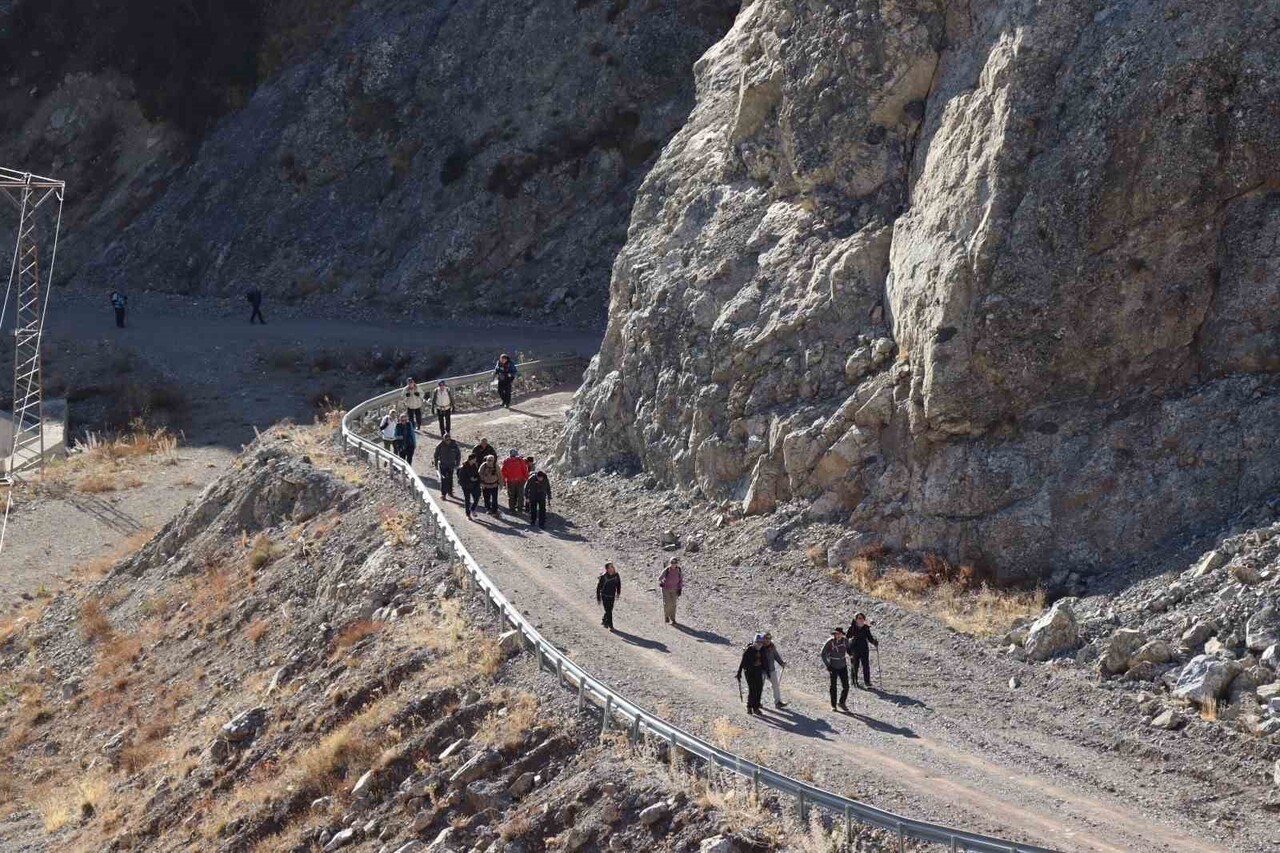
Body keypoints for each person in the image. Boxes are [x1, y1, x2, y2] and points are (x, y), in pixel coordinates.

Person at [736, 634, 771, 716]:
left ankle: (756, 707)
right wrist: (739, 673)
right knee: (752, 689)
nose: (759, 644)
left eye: (761, 642)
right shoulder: (749, 650)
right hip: (749, 671)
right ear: (754, 642)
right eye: (758, 642)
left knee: (759, 688)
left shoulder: (762, 650)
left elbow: (765, 661)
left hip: (758, 670)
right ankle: (749, 706)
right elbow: (742, 662)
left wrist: (768, 672)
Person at [821, 627, 851, 711]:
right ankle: (833, 705)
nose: (837, 635)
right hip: (833, 666)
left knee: (846, 686)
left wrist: (851, 654)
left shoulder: (845, 641)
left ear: (842, 634)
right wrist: (828, 665)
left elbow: (848, 649)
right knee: (833, 686)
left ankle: (842, 702)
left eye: (839, 634)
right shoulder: (830, 642)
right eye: (836, 634)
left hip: (843, 665)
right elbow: (823, 654)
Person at [847, 612, 879, 689]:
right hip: (854, 647)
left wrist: (874, 642)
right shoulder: (852, 627)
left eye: (862, 618)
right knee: (855, 665)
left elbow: (869, 638)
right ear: (856, 619)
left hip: (864, 648)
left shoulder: (866, 628)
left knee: (866, 665)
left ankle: (867, 682)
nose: (860, 620)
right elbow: (847, 637)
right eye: (859, 618)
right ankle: (854, 681)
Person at [762, 632, 788, 709]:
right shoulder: (760, 647)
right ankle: (757, 702)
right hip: (761, 671)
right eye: (766, 638)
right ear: (764, 639)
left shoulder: (772, 647)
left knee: (776, 686)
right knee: (759, 687)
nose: (768, 640)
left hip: (771, 670)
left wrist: (781, 663)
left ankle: (778, 702)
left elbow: (776, 655)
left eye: (769, 638)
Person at [433, 433, 462, 499]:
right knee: (444, 479)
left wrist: (457, 464)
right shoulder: (440, 446)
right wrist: (436, 464)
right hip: (443, 465)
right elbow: (436, 455)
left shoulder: (454, 445)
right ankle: (443, 494)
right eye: (446, 439)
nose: (448, 441)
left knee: (450, 478)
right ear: (443, 439)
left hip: (451, 465)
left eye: (449, 439)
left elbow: (458, 455)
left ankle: (450, 492)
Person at [596, 562, 622, 631]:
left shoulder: (616, 575)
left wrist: (618, 593)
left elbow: (618, 584)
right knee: (609, 611)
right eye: (610, 567)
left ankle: (604, 619)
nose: (612, 569)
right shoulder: (604, 577)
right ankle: (611, 626)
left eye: (612, 567)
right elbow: (598, 588)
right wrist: (599, 598)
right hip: (605, 596)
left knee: (609, 610)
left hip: (612, 596)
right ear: (607, 569)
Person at [657, 557, 683, 626]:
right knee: (667, 603)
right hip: (666, 589)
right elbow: (660, 578)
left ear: (677, 563)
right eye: (672, 563)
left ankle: (673, 619)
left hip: (675, 589)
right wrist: (662, 581)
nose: (673, 564)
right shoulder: (667, 570)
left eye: (674, 563)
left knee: (673, 604)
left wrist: (680, 589)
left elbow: (680, 580)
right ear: (670, 563)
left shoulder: (679, 570)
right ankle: (666, 616)